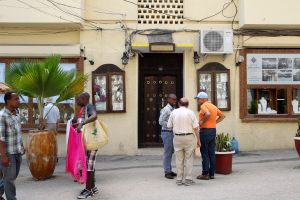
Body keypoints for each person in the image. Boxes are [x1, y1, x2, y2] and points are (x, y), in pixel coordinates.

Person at [167, 97, 200, 186]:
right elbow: (196, 128)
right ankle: (188, 179)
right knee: (189, 159)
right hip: (189, 137)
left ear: (179, 104)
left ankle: (179, 179)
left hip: (177, 138)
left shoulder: (173, 112)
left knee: (179, 159)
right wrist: (198, 140)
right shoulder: (191, 112)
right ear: (188, 104)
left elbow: (169, 125)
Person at [195, 92, 225, 180]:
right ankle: (212, 174)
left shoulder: (203, 105)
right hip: (212, 130)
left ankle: (205, 174)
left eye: (198, 99)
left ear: (203, 99)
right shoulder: (213, 106)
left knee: (204, 152)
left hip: (205, 131)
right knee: (211, 153)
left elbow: (207, 114)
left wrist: (201, 122)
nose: (197, 101)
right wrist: (214, 123)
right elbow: (222, 116)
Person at [74, 93, 99, 199]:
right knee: (90, 165)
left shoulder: (89, 106)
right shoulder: (85, 108)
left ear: (83, 99)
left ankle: (88, 190)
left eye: (78, 99)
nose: (76, 101)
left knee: (89, 166)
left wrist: (82, 124)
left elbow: (94, 116)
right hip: (89, 141)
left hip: (92, 142)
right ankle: (92, 187)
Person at [0, 91, 24, 200]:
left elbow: (18, 132)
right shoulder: (2, 116)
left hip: (17, 151)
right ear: (8, 101)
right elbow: (1, 138)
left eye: (18, 99)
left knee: (10, 176)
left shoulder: (17, 113)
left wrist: (22, 146)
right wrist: (3, 156)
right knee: (9, 179)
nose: (19, 101)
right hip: (8, 153)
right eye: (16, 99)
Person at [158, 94, 177, 179]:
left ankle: (169, 169)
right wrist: (170, 125)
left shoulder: (173, 109)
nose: (174, 101)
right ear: (168, 99)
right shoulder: (166, 109)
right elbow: (160, 121)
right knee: (167, 152)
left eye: (175, 100)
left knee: (171, 151)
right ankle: (167, 172)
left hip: (172, 133)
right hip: (167, 132)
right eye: (173, 99)